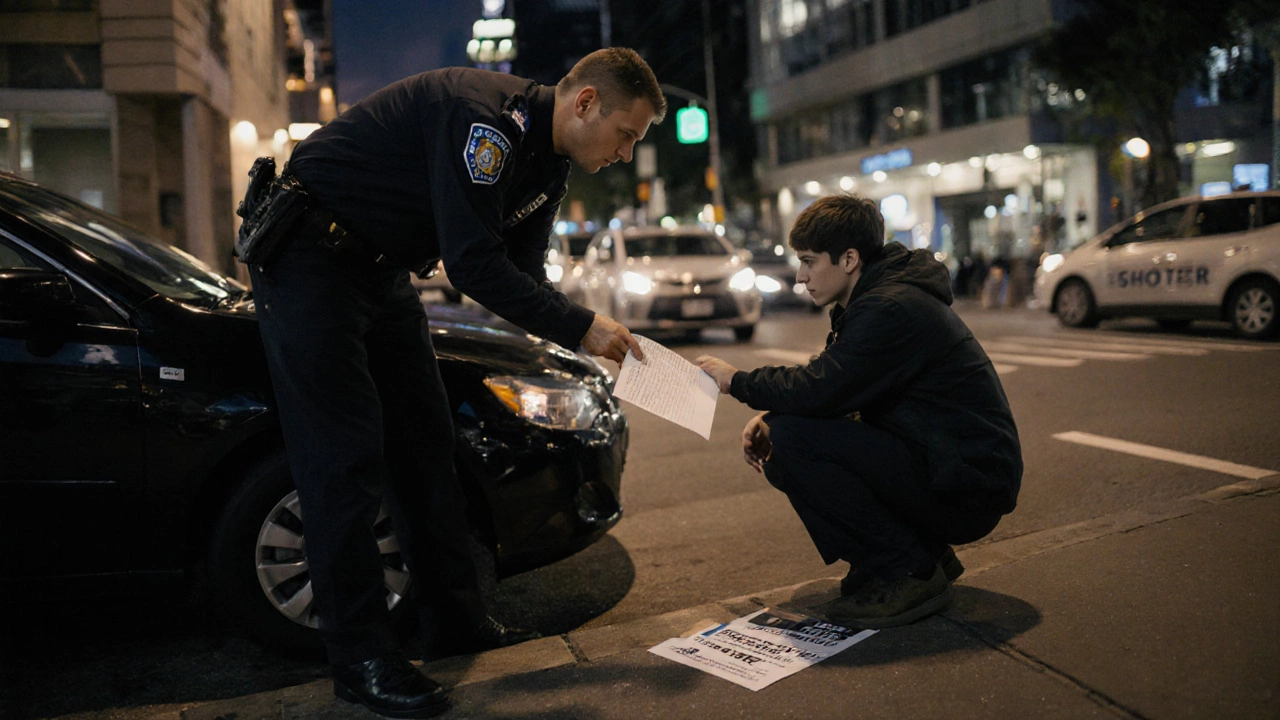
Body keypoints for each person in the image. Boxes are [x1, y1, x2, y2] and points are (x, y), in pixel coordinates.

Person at [241, 48, 665, 719]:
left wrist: (582, 332)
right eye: (626, 134)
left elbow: (521, 274)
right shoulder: (485, 126)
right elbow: (472, 264)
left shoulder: (546, 165)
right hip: (309, 261)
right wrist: (583, 326)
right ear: (585, 101)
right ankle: (361, 659)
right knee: (342, 460)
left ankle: (455, 623)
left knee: (426, 443)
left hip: (380, 272)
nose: (625, 152)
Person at [696, 195, 1021, 630]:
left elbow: (823, 388)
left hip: (967, 487)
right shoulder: (875, 298)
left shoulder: (890, 307)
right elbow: (837, 388)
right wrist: (770, 415)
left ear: (849, 259)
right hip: (947, 466)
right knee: (784, 434)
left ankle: (908, 569)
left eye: (810, 262)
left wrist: (737, 381)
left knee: (790, 444)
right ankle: (915, 552)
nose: (800, 275)